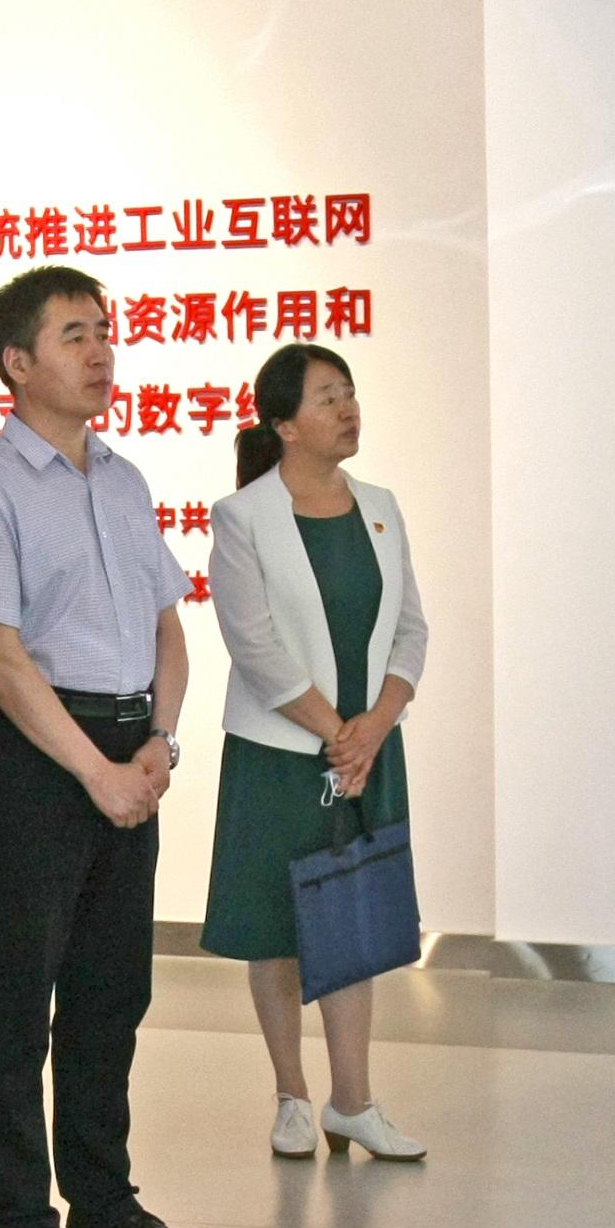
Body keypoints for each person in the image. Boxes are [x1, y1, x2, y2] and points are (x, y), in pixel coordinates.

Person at [0, 267, 205, 1228]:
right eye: (72, 335)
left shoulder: (123, 479)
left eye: (104, 331)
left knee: (110, 992)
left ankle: (103, 1200)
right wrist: (94, 770)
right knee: (16, 1000)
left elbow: (166, 627)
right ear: (15, 362)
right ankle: (19, 1222)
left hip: (130, 752)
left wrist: (159, 744)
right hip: (37, 758)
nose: (100, 352)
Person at [207, 342, 432, 1165]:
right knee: (276, 927)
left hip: (367, 749)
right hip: (280, 751)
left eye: (349, 392)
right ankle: (291, 1097)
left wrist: (375, 724)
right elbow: (254, 646)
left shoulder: (380, 506)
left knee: (353, 918)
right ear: (284, 423)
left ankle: (353, 1101)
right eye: (326, 397)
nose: (347, 408)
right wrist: (338, 731)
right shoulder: (243, 516)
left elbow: (411, 629)